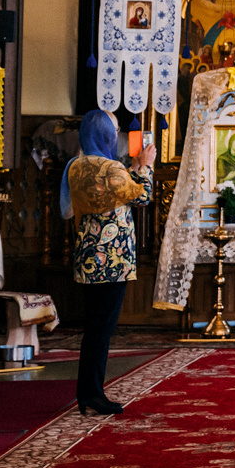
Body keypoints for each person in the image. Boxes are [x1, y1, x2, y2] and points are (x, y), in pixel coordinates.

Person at [61, 110, 153, 416]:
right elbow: (141, 196)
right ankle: (92, 394)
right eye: (114, 130)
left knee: (94, 328)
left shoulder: (77, 165)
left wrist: (132, 167)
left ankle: (88, 391)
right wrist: (145, 167)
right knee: (101, 330)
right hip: (111, 261)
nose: (117, 135)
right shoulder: (110, 168)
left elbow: (112, 188)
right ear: (105, 134)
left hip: (88, 257)